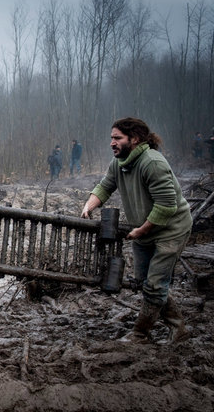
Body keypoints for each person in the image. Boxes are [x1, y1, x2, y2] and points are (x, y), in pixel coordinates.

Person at [81, 117, 192, 344]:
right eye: (111, 138)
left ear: (135, 139)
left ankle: (140, 334)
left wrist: (141, 231)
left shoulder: (152, 163)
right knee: (145, 282)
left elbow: (167, 206)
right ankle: (178, 327)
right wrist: (88, 206)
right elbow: (105, 186)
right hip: (143, 229)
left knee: (154, 284)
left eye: (117, 138)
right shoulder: (119, 163)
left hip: (171, 229)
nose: (112, 143)